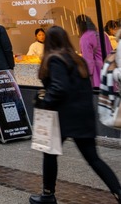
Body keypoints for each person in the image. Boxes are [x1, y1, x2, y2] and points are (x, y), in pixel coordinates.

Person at [29, 25, 121, 204]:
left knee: (49, 154)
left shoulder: (55, 60)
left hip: (62, 116)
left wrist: (43, 101)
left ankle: (48, 195)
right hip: (83, 115)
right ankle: (118, 191)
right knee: (93, 158)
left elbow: (58, 88)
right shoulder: (77, 60)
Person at [76, 14, 113, 88]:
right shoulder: (103, 34)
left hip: (97, 76)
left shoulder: (85, 38)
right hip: (109, 72)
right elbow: (110, 52)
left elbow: (88, 63)